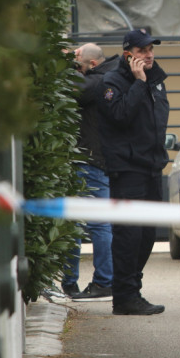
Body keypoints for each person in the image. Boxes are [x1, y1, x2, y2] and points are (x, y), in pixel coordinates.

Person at [98, 28, 170, 316]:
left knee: (146, 235)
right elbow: (120, 115)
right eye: (142, 51)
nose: (149, 54)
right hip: (127, 170)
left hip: (151, 167)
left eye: (151, 49)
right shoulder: (112, 82)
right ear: (129, 54)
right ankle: (124, 297)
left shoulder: (157, 80)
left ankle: (132, 290)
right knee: (129, 235)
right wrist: (139, 82)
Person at [61, 43, 118, 300]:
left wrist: (65, 64)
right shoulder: (109, 76)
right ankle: (91, 281)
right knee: (96, 223)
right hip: (96, 159)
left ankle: (99, 281)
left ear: (92, 64)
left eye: (79, 63)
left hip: (90, 161)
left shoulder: (97, 81)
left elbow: (76, 91)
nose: (76, 66)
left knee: (91, 223)